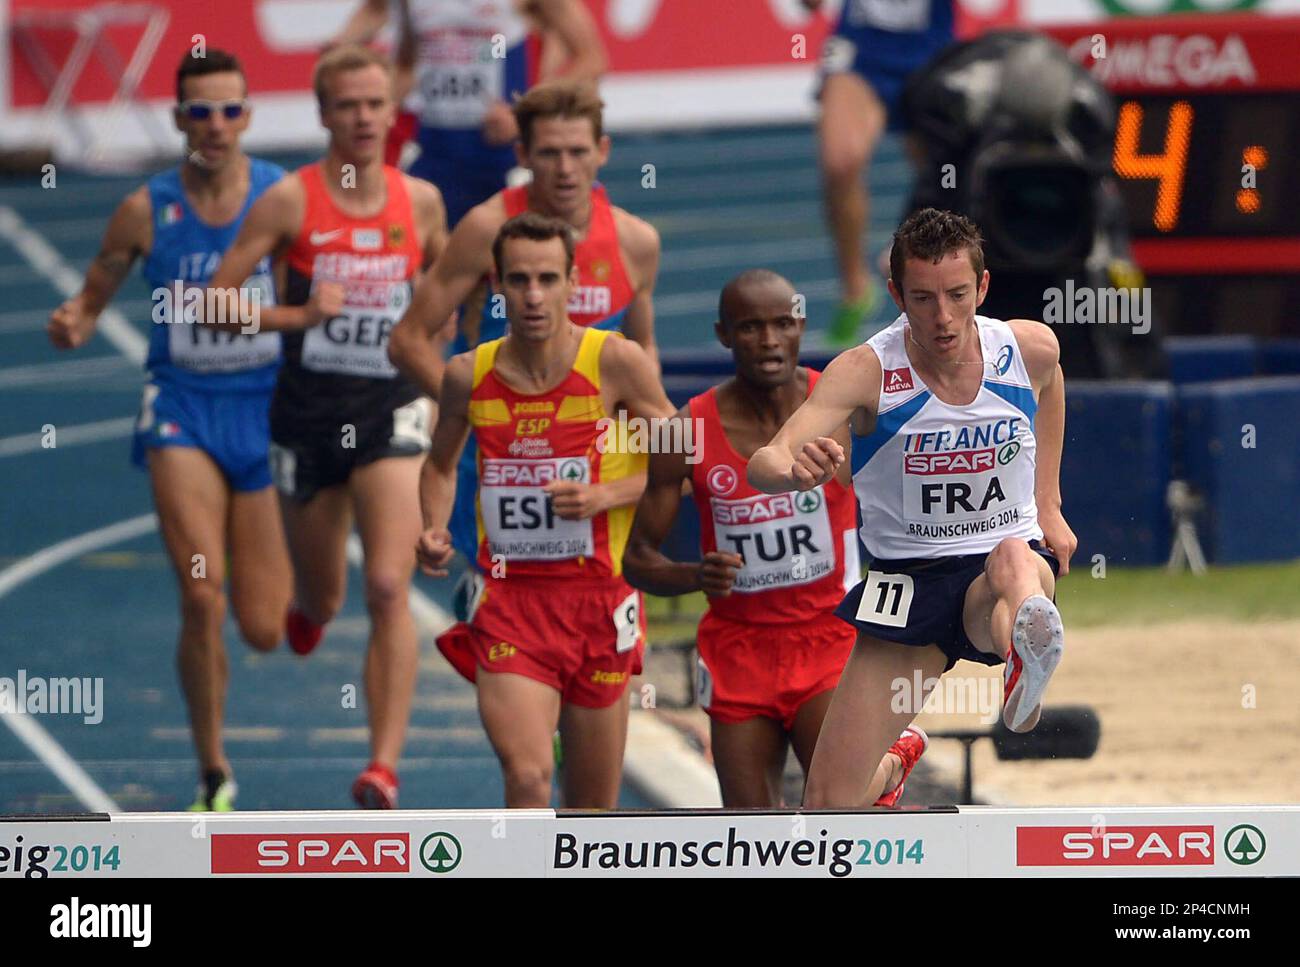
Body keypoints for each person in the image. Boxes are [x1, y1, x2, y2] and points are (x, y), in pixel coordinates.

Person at [747, 208, 1077, 809]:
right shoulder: (865, 371)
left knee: (1013, 563)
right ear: (897, 293)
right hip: (908, 586)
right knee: (826, 806)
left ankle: (1024, 658)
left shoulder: (1027, 348)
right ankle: (897, 763)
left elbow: (1050, 386)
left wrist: (1047, 505)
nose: (943, 318)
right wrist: (794, 472)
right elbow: (765, 459)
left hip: (999, 567)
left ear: (982, 287)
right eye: (923, 299)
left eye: (957, 295)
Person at [47, 49, 291, 812]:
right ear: (180, 119)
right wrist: (75, 320)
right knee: (200, 596)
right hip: (180, 408)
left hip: (260, 410)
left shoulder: (282, 197)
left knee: (261, 627)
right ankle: (213, 767)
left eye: (228, 110)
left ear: (247, 116)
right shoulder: (146, 209)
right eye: (199, 111)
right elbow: (94, 289)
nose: (214, 126)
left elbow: (319, 288)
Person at [207, 45, 449, 808]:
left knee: (386, 583)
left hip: (390, 409)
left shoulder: (421, 202)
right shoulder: (289, 202)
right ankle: (309, 610)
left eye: (376, 103)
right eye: (348, 105)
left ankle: (382, 765)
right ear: (323, 114)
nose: (364, 118)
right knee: (325, 595)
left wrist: (443, 364)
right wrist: (297, 315)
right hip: (307, 416)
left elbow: (452, 288)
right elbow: (213, 304)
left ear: (391, 110)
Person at [623, 269, 929, 807]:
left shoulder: (840, 405)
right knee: (750, 829)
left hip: (829, 637)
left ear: (801, 325)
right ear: (723, 334)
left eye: (782, 324)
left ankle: (892, 758)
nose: (768, 341)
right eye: (749, 328)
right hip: (737, 649)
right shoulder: (683, 432)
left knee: (843, 809)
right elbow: (637, 560)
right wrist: (696, 575)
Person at [415, 212, 674, 808]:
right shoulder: (467, 376)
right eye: (520, 280)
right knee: (528, 778)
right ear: (497, 286)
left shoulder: (615, 362)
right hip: (510, 604)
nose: (533, 295)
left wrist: (604, 496)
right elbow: (439, 465)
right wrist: (432, 526)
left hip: (600, 603)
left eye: (548, 279)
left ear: (572, 283)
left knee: (591, 811)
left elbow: (682, 462)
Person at [389, 78, 661, 573]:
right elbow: (407, 339)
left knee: (595, 610)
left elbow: (644, 348)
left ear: (602, 151)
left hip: (597, 466)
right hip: (503, 460)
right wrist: (474, 413)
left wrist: (643, 461)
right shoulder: (484, 229)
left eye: (578, 152)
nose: (565, 169)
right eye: (549, 153)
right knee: (499, 612)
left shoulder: (634, 242)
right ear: (522, 153)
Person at [330, 0, 607, 225]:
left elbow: (591, 58)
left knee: (514, 268)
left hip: (502, 156)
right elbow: (405, 63)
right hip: (433, 152)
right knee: (434, 269)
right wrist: (344, 57)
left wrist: (524, 110)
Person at [805, 0, 955, 346]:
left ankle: (915, 261)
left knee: (944, 167)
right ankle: (854, 288)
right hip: (859, 47)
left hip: (929, 44)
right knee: (840, 161)